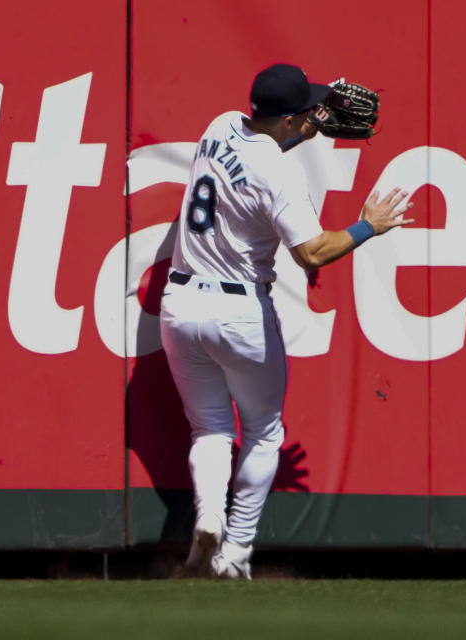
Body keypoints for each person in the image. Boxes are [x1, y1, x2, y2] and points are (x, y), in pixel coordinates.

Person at [159, 63, 413, 579]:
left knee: (208, 427)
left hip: (181, 306)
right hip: (238, 313)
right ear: (293, 122)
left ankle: (208, 517)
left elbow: (265, 147)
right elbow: (312, 254)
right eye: (309, 114)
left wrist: (300, 125)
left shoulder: (219, 124)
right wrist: (370, 226)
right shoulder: (280, 173)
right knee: (263, 432)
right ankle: (235, 553)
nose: (317, 117)